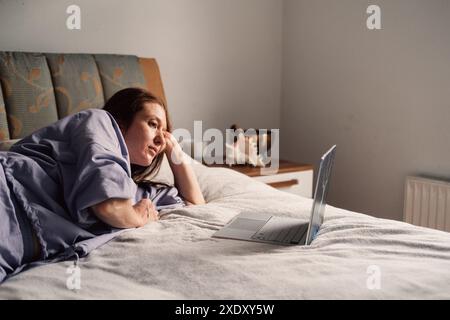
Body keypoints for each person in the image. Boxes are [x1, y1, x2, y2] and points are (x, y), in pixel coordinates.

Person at [0, 87, 205, 283]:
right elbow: (110, 207)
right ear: (121, 123)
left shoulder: (136, 192)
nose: (160, 138)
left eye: (166, 132)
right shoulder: (100, 121)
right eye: (152, 124)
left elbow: (196, 206)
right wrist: (136, 217)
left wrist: (173, 147)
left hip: (17, 249)